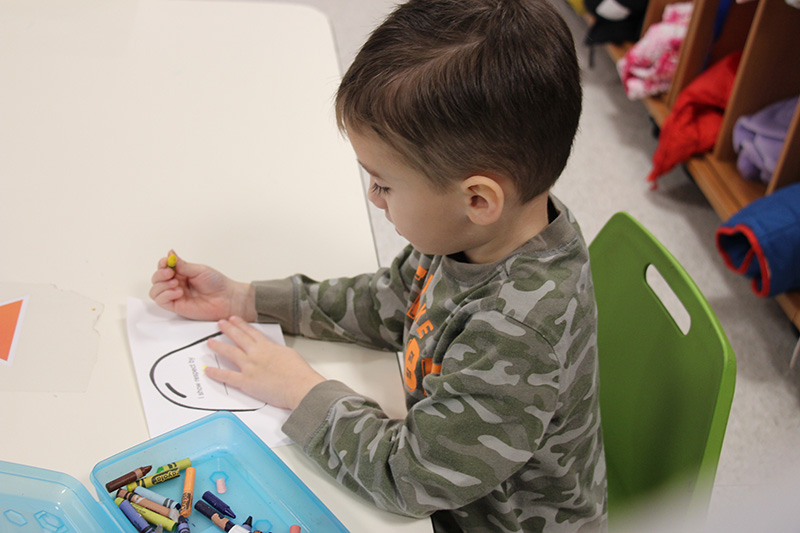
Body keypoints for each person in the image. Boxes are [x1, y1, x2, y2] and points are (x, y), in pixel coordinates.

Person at [149, 0, 607, 530]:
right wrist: (246, 299)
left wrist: (301, 390)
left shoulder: (516, 332)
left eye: (385, 183)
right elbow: (393, 301)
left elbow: (406, 478)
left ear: (478, 199)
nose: (373, 196)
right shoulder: (476, 230)